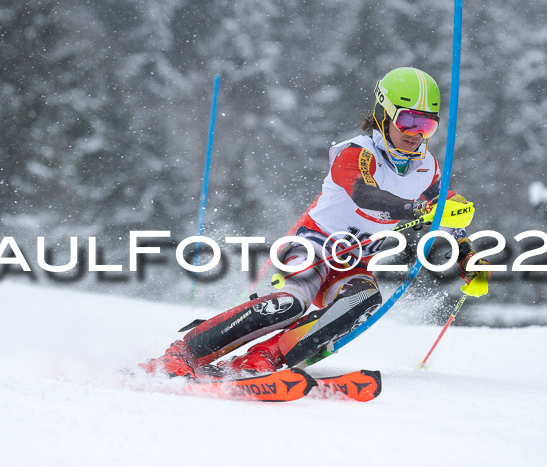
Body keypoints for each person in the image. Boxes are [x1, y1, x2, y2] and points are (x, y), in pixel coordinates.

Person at [140, 67, 490, 378]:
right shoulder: (356, 152)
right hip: (312, 248)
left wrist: (467, 257)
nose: (416, 133)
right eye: (407, 121)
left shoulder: (427, 168)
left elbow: (448, 214)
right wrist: (417, 209)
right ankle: (183, 353)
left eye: (426, 124)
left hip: (354, 262)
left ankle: (262, 360)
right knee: (291, 305)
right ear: (384, 114)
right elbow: (365, 195)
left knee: (363, 300)